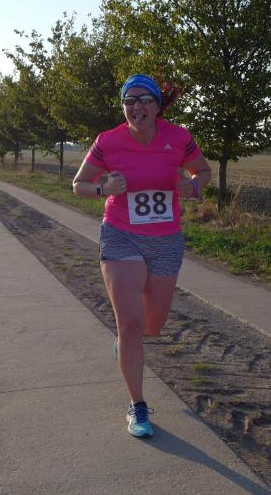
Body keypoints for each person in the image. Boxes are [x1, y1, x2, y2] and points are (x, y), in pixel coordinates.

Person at [72, 74, 211, 437]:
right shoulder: (108, 141)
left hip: (166, 240)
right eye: (129, 101)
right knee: (131, 325)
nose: (136, 107)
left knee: (152, 326)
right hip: (121, 236)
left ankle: (123, 346)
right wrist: (103, 188)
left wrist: (192, 187)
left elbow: (203, 171)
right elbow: (79, 184)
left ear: (157, 105)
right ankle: (138, 406)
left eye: (144, 99)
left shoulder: (178, 137)